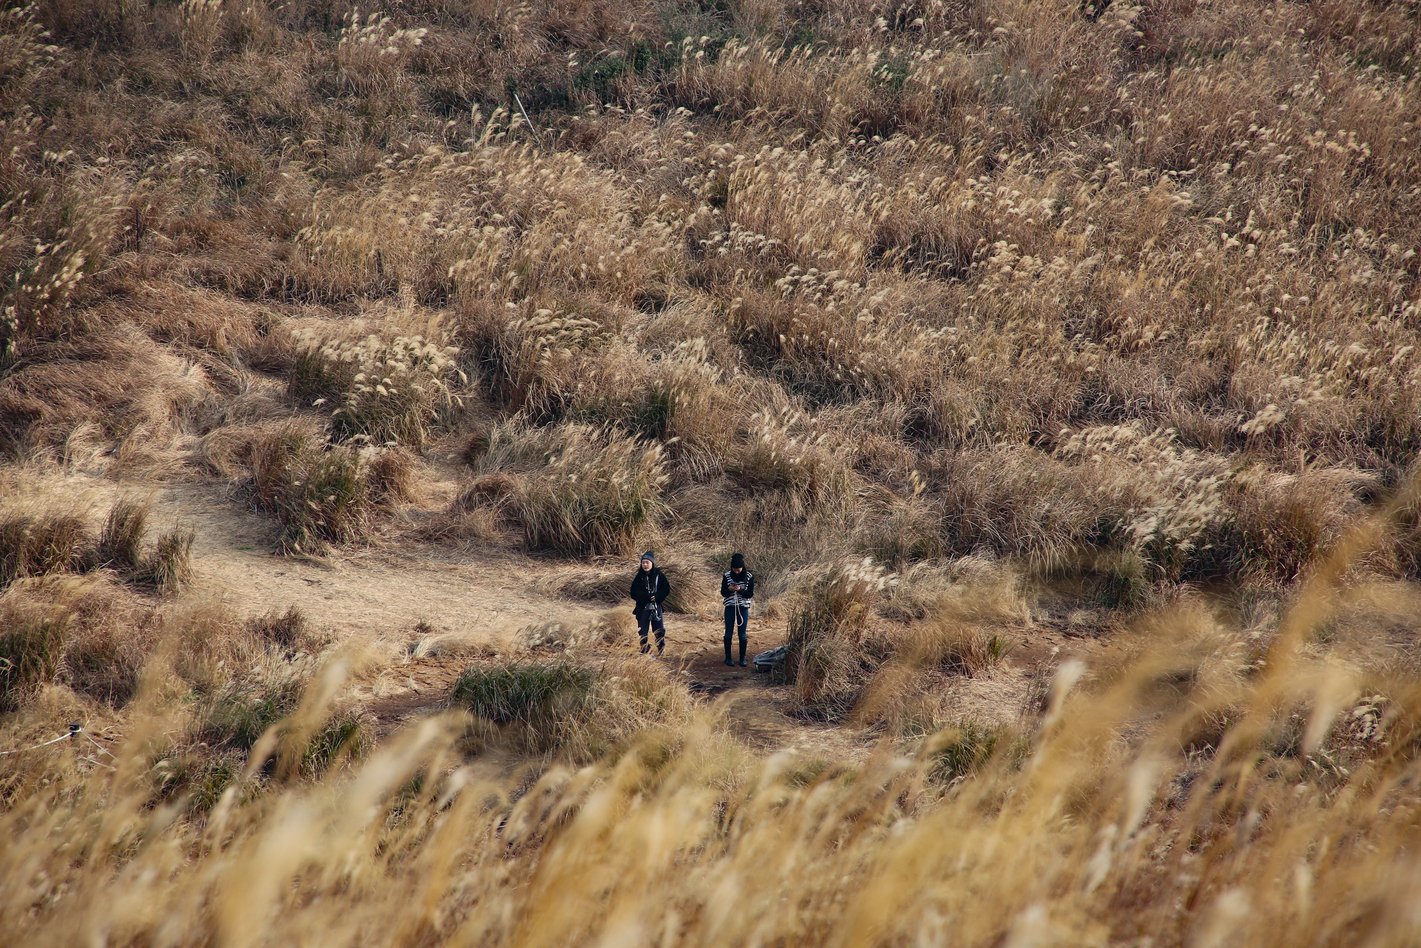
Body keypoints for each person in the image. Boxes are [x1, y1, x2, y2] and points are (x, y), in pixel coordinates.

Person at [629, 550, 671, 656]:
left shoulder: (659, 575)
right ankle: (644, 650)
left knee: (659, 630)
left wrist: (657, 597)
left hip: (656, 607)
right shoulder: (639, 577)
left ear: (652, 563)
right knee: (642, 631)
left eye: (647, 562)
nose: (645, 565)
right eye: (643, 562)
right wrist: (646, 597)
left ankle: (661, 648)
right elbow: (633, 592)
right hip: (642, 608)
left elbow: (666, 588)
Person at [721, 552, 755, 667]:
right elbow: (723, 593)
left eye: (738, 569)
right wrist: (730, 589)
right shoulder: (726, 576)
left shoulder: (749, 577)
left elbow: (750, 594)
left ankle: (742, 658)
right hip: (730, 607)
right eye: (734, 569)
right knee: (728, 633)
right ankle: (728, 657)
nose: (736, 571)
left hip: (743, 608)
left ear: (742, 567)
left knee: (742, 634)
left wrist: (739, 590)